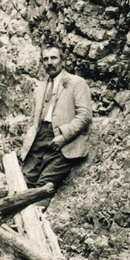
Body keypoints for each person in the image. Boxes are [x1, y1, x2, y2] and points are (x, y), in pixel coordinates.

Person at [18, 43, 92, 191]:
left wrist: (64, 136)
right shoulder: (40, 87)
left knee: (43, 187)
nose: (49, 63)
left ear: (62, 60)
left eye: (53, 58)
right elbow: (33, 119)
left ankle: (35, 211)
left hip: (62, 141)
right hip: (39, 139)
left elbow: (85, 116)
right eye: (45, 59)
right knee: (23, 184)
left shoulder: (77, 82)